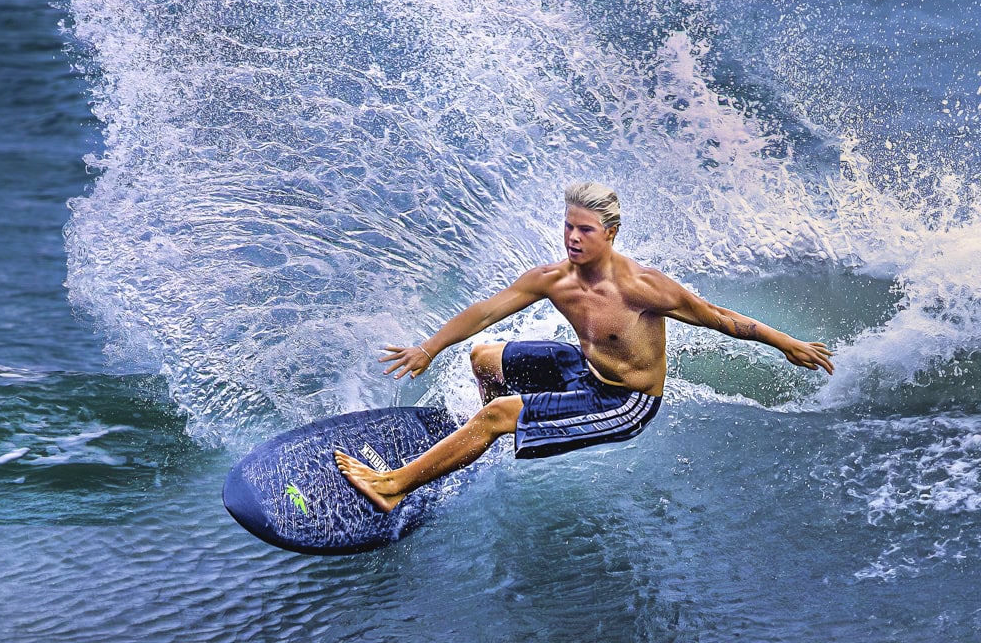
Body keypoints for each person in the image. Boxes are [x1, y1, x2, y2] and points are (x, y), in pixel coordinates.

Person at [335, 183, 834, 512]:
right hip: (585, 370)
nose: (572, 238)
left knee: (498, 415)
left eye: (585, 230)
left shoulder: (643, 287)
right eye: (568, 226)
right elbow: (486, 312)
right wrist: (428, 348)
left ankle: (394, 486)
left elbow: (720, 318)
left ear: (610, 234)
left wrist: (786, 343)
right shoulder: (554, 279)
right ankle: (484, 439)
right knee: (483, 357)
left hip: (625, 400)